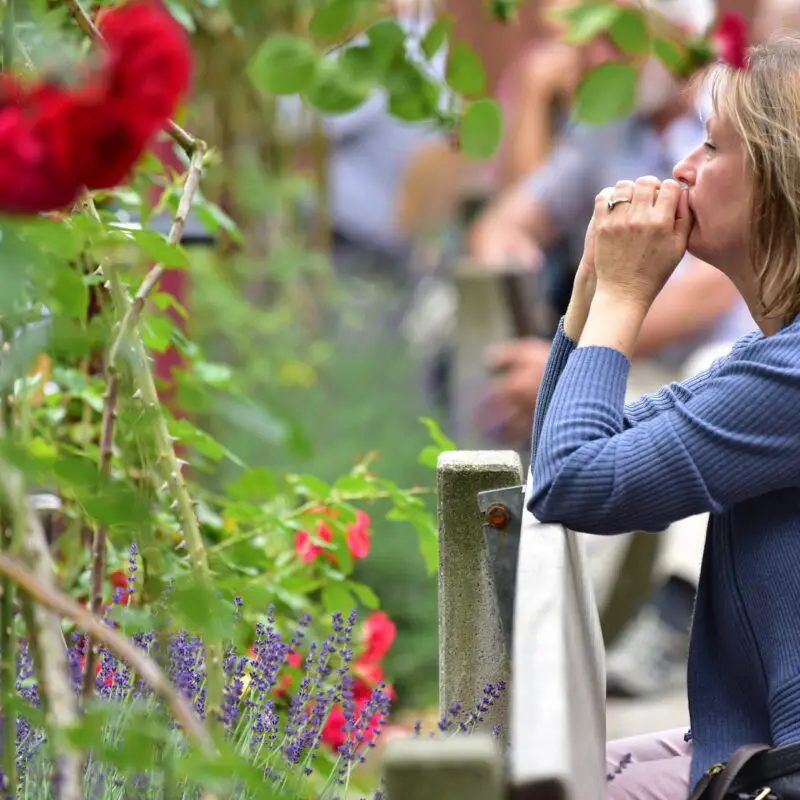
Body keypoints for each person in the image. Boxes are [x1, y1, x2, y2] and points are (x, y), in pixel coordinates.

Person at [529, 35, 800, 795]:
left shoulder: (793, 375)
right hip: (751, 745)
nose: (682, 170)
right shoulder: (772, 358)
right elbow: (569, 452)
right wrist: (592, 285)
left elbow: (573, 485)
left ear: (783, 182)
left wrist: (623, 297)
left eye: (711, 148)